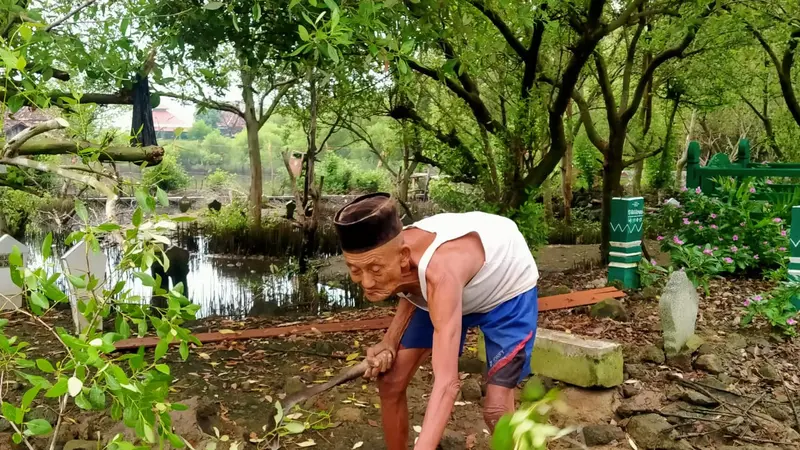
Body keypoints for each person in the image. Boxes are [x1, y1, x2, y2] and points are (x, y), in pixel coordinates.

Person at [333, 192, 539, 450]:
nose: (366, 282)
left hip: (506, 291)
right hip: (443, 292)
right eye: (355, 270)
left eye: (374, 270)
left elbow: (447, 384)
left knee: (496, 411)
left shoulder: (440, 272)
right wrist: (389, 341)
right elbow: (408, 285)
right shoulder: (392, 255)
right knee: (390, 382)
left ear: (404, 256)